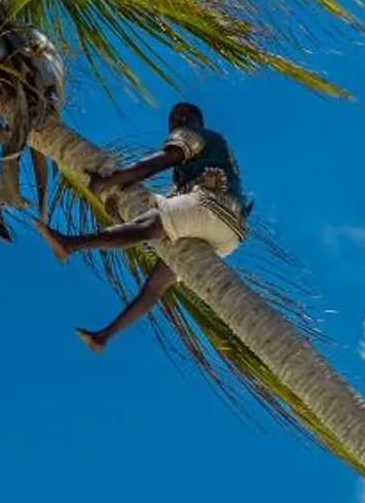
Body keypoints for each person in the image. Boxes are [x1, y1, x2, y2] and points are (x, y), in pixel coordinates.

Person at [35, 102, 251, 352]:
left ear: (189, 120)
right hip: (229, 234)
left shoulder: (194, 135)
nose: (174, 124)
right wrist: (121, 217)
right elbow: (173, 206)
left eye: (177, 118)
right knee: (154, 286)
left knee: (149, 226)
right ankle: (103, 336)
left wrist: (110, 180)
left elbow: (154, 164)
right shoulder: (210, 153)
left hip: (211, 207)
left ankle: (71, 244)